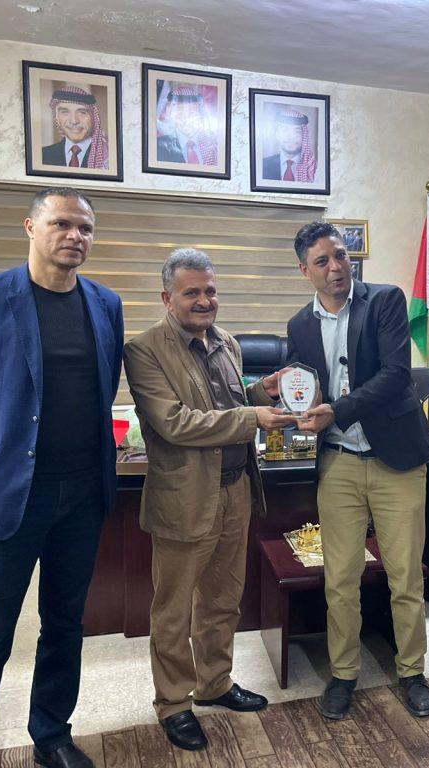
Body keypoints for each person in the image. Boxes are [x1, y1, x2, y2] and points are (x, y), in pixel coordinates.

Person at [0, 187, 124, 768]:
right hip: (10, 496)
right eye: (61, 223)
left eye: (85, 228)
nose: (75, 236)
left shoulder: (106, 303)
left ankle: (52, 736)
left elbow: (105, 385)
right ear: (30, 228)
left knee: (65, 624)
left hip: (82, 495)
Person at [122, 249, 294, 751]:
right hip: (185, 497)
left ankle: (215, 683)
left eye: (211, 291)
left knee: (223, 598)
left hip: (236, 489)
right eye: (192, 292)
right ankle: (174, 703)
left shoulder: (226, 343)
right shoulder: (143, 350)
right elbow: (175, 423)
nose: (204, 300)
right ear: (167, 298)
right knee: (174, 609)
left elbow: (227, 403)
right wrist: (252, 418)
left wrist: (261, 392)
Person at [287, 221, 429, 721]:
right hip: (339, 464)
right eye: (322, 261)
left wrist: (338, 410)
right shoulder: (298, 326)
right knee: (340, 579)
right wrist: (288, 396)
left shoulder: (384, 300)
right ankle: (344, 673)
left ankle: (412, 672)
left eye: (341, 256)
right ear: (305, 270)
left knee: (405, 576)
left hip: (396, 461)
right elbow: (304, 384)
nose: (336, 268)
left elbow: (396, 376)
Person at [41, 86, 110, 169]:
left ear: (93, 118)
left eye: (82, 112)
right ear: (57, 119)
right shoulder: (43, 155)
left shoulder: (109, 156)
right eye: (65, 112)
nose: (74, 121)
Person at [156, 84, 219, 166]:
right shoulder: (159, 146)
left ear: (200, 114)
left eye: (192, 113)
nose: (186, 119)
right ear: (171, 115)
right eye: (180, 113)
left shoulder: (214, 145)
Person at [262, 107, 316, 182]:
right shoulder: (262, 165)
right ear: (277, 134)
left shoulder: (314, 169)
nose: (291, 137)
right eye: (285, 130)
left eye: (297, 131)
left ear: (304, 136)